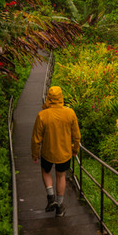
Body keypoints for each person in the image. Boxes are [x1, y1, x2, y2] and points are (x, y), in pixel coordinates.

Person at [31, 86, 81, 217]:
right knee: (61, 176)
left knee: (46, 171)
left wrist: (35, 154)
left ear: (49, 98)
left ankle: (50, 196)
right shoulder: (70, 113)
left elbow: (36, 138)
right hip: (64, 153)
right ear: (61, 97)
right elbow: (76, 135)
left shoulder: (42, 115)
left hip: (47, 152)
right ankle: (60, 206)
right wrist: (75, 149)